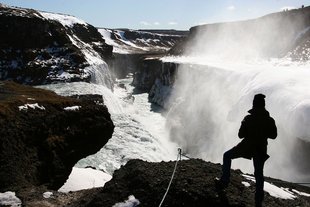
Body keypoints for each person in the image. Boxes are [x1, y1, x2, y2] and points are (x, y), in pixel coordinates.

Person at [216, 94, 277, 207]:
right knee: (259, 173)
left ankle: (224, 181)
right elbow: (274, 135)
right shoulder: (269, 120)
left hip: (246, 147)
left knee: (227, 156)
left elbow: (240, 135)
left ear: (254, 104)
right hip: (261, 149)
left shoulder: (248, 118)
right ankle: (258, 201)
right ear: (264, 105)